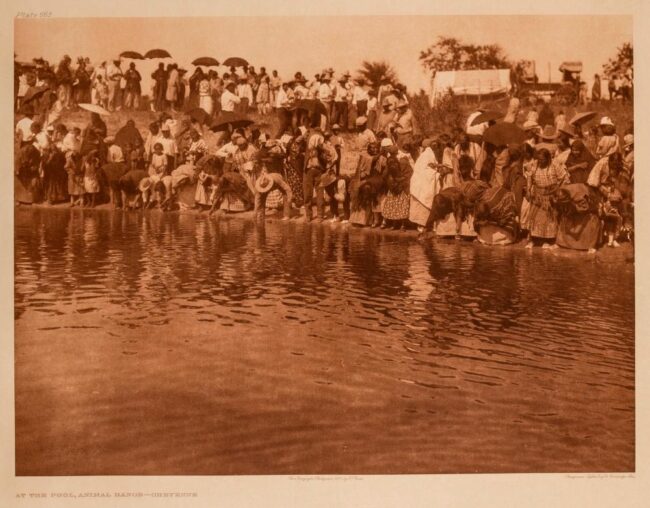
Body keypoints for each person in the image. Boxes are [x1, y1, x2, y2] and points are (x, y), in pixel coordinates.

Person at [524, 147, 569, 248]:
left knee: (549, 219)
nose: (540, 161)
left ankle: (548, 240)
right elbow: (529, 178)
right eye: (539, 159)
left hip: (551, 195)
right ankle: (534, 239)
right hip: (537, 195)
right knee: (535, 218)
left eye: (543, 160)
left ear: (548, 159)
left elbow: (564, 178)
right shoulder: (534, 165)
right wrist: (528, 190)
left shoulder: (555, 165)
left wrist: (557, 190)